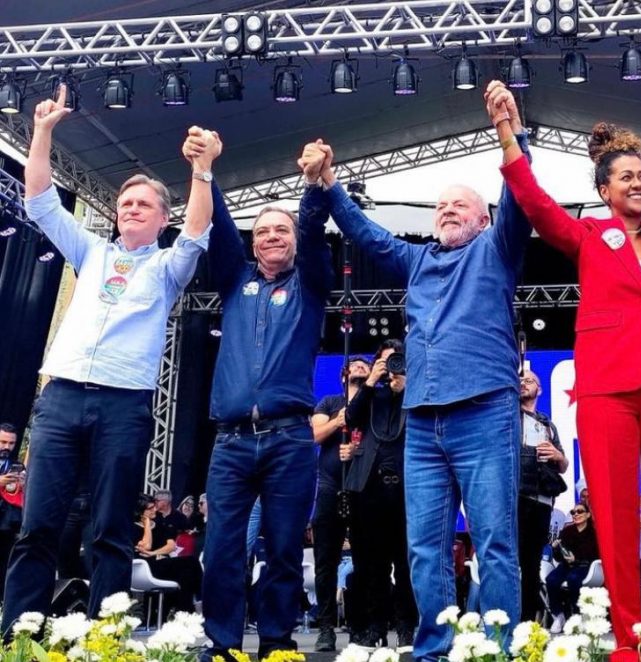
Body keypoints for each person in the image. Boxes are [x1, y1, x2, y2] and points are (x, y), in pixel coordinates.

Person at [488, 55, 641, 660]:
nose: (638, 183)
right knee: (616, 519)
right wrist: (507, 132)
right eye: (625, 177)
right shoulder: (587, 236)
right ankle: (630, 642)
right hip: (606, 390)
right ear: (603, 190)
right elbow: (534, 202)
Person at [298, 115, 532, 660]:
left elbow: (521, 198)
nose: (447, 211)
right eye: (441, 207)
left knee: (496, 544)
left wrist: (511, 137)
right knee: (424, 548)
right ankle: (433, 650)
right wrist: (330, 184)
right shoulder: (419, 260)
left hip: (484, 411)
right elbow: (365, 234)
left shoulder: (497, 249)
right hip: (422, 421)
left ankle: (499, 651)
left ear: (484, 218)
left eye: (460, 205)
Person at [0, 88, 217, 634]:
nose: (130, 209)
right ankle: (18, 633)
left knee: (110, 527)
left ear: (161, 217)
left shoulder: (168, 266)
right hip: (63, 396)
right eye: (124, 203)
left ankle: (104, 639)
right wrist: (44, 130)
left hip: (124, 405)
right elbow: (41, 202)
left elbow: (197, 233)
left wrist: (202, 171)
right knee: (38, 525)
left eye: (142, 204)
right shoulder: (91, 251)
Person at [183, 131, 334, 661]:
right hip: (230, 442)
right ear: (253, 242)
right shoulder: (233, 279)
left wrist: (313, 189)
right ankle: (221, 642)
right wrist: (206, 169)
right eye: (263, 231)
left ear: (292, 239)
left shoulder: (312, 284)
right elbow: (219, 228)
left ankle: (276, 642)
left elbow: (315, 234)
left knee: (285, 548)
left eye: (281, 230)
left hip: (290, 437)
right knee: (222, 549)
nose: (272, 236)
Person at [340, 339, 417, 650]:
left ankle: (407, 626)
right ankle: (375, 626)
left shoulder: (412, 393)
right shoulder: (369, 394)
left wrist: (405, 388)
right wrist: (371, 382)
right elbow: (350, 417)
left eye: (398, 361)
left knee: (407, 563)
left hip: (406, 489)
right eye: (386, 362)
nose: (392, 368)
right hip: (367, 487)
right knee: (371, 565)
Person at [311, 357, 371, 652]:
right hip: (330, 487)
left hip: (364, 488)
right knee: (326, 562)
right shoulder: (330, 402)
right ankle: (325, 628)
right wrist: (340, 419)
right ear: (344, 374)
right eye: (355, 365)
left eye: (366, 365)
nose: (361, 367)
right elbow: (316, 434)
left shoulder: (375, 404)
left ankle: (361, 627)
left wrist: (359, 449)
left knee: (365, 562)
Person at [517, 370, 568, 621]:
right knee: (508, 561)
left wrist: (557, 456)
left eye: (529, 380)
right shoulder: (508, 416)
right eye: (520, 380)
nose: (523, 383)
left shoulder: (548, 425)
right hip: (515, 497)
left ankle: (527, 622)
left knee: (532, 563)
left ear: (540, 389)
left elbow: (564, 464)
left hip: (542, 501)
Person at [133, 494, 203, 615]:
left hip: (157, 563)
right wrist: (147, 526)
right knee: (189, 564)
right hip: (142, 569)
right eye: (150, 508)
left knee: (188, 570)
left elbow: (171, 546)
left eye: (154, 506)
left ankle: (185, 611)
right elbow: (146, 545)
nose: (155, 509)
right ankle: (192, 608)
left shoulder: (161, 523)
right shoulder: (133, 527)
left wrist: (153, 553)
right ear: (141, 512)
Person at [545, 504, 599, 634]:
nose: (576, 514)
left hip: (585, 566)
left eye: (580, 511)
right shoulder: (567, 531)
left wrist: (577, 559)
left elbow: (595, 554)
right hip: (566, 565)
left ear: (588, 514)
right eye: (573, 512)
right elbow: (558, 558)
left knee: (573, 579)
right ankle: (558, 615)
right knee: (551, 579)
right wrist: (556, 548)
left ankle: (577, 614)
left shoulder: (594, 533)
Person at [0, 424, 23, 603]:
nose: (7, 447)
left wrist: (23, 483)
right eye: (3, 442)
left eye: (11, 443)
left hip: (6, 525)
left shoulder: (15, 465)